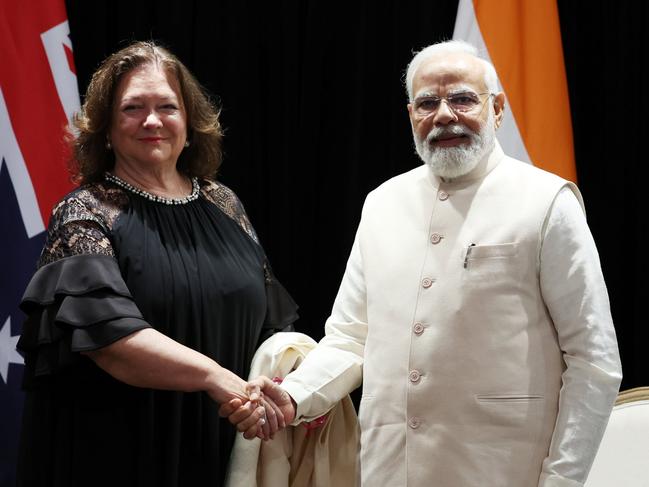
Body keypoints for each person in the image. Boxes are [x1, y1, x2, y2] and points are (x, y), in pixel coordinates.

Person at [223, 40, 623, 487]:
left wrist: (563, 481)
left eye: (463, 98)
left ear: (498, 110)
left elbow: (594, 361)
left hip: (506, 471)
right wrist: (293, 396)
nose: (445, 115)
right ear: (410, 114)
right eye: (428, 102)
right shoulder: (382, 203)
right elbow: (350, 339)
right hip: (390, 468)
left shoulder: (548, 201)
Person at [16, 41, 296, 487]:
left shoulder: (225, 204)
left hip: (226, 447)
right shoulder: (84, 212)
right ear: (106, 126)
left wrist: (283, 386)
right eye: (132, 108)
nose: (152, 121)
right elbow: (113, 339)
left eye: (167, 106)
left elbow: (271, 322)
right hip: (122, 456)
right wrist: (215, 378)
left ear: (189, 122)